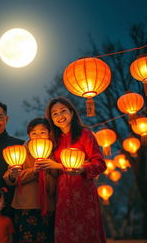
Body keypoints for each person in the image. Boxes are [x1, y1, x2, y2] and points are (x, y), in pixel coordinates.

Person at [36, 97, 107, 243]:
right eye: (54, 114)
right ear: (51, 119)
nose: (59, 116)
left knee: (86, 232)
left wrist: (82, 168)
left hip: (83, 193)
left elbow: (100, 163)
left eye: (63, 111)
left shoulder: (84, 134)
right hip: (62, 195)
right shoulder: (54, 140)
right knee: (65, 233)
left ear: (72, 113)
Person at [3, 117, 57, 243]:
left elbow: (55, 186)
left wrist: (44, 173)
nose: (38, 136)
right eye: (34, 133)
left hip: (47, 207)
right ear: (29, 135)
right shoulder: (21, 152)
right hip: (25, 206)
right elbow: (10, 177)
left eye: (42, 132)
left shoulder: (54, 155)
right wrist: (33, 171)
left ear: (49, 134)